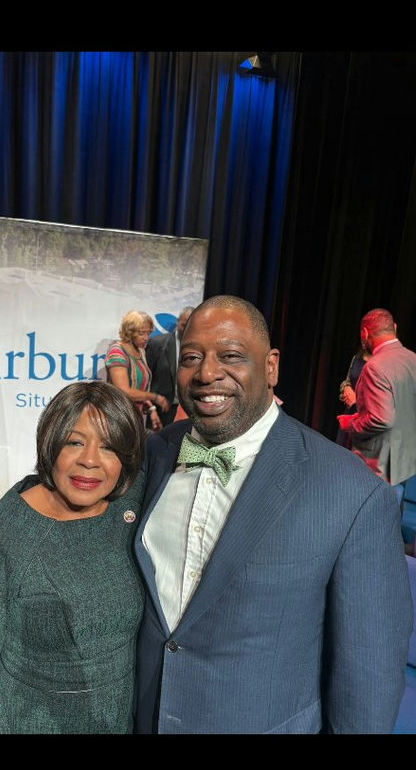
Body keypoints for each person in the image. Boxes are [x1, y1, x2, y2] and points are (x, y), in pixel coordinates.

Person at [132, 295, 413, 734]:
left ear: (271, 367)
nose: (207, 373)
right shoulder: (157, 451)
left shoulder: (352, 495)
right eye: (192, 357)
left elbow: (368, 679)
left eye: (231, 356)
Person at [0, 381, 146, 734]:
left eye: (109, 447)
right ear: (50, 442)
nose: (89, 460)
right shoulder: (9, 531)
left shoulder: (129, 506)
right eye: (74, 441)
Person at [336, 308, 416, 499]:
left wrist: (350, 423)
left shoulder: (375, 366)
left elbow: (381, 419)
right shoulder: (412, 359)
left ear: (364, 333)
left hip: (374, 468)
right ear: (394, 328)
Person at [105, 309, 169, 432]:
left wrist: (151, 409)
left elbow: (139, 390)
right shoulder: (117, 352)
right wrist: (155, 397)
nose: (146, 338)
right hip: (117, 417)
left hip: (134, 417)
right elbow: (124, 391)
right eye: (141, 334)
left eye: (148, 333)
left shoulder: (140, 351)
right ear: (130, 332)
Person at [145, 307, 195, 427]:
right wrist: (151, 407)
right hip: (162, 410)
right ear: (177, 322)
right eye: (184, 324)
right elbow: (146, 379)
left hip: (190, 410)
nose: (187, 329)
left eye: (191, 325)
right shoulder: (157, 343)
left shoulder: (201, 347)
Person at [335, 345, 371, 449]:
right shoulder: (357, 358)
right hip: (349, 413)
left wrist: (358, 401)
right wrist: (346, 387)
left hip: (365, 418)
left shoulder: (381, 362)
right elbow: (348, 380)